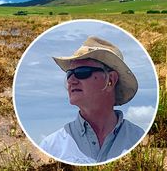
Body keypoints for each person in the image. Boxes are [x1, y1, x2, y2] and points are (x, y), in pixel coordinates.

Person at [39, 36, 144, 164]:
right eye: (69, 74)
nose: (71, 80)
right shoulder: (50, 147)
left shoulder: (139, 140)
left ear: (111, 80)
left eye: (82, 72)